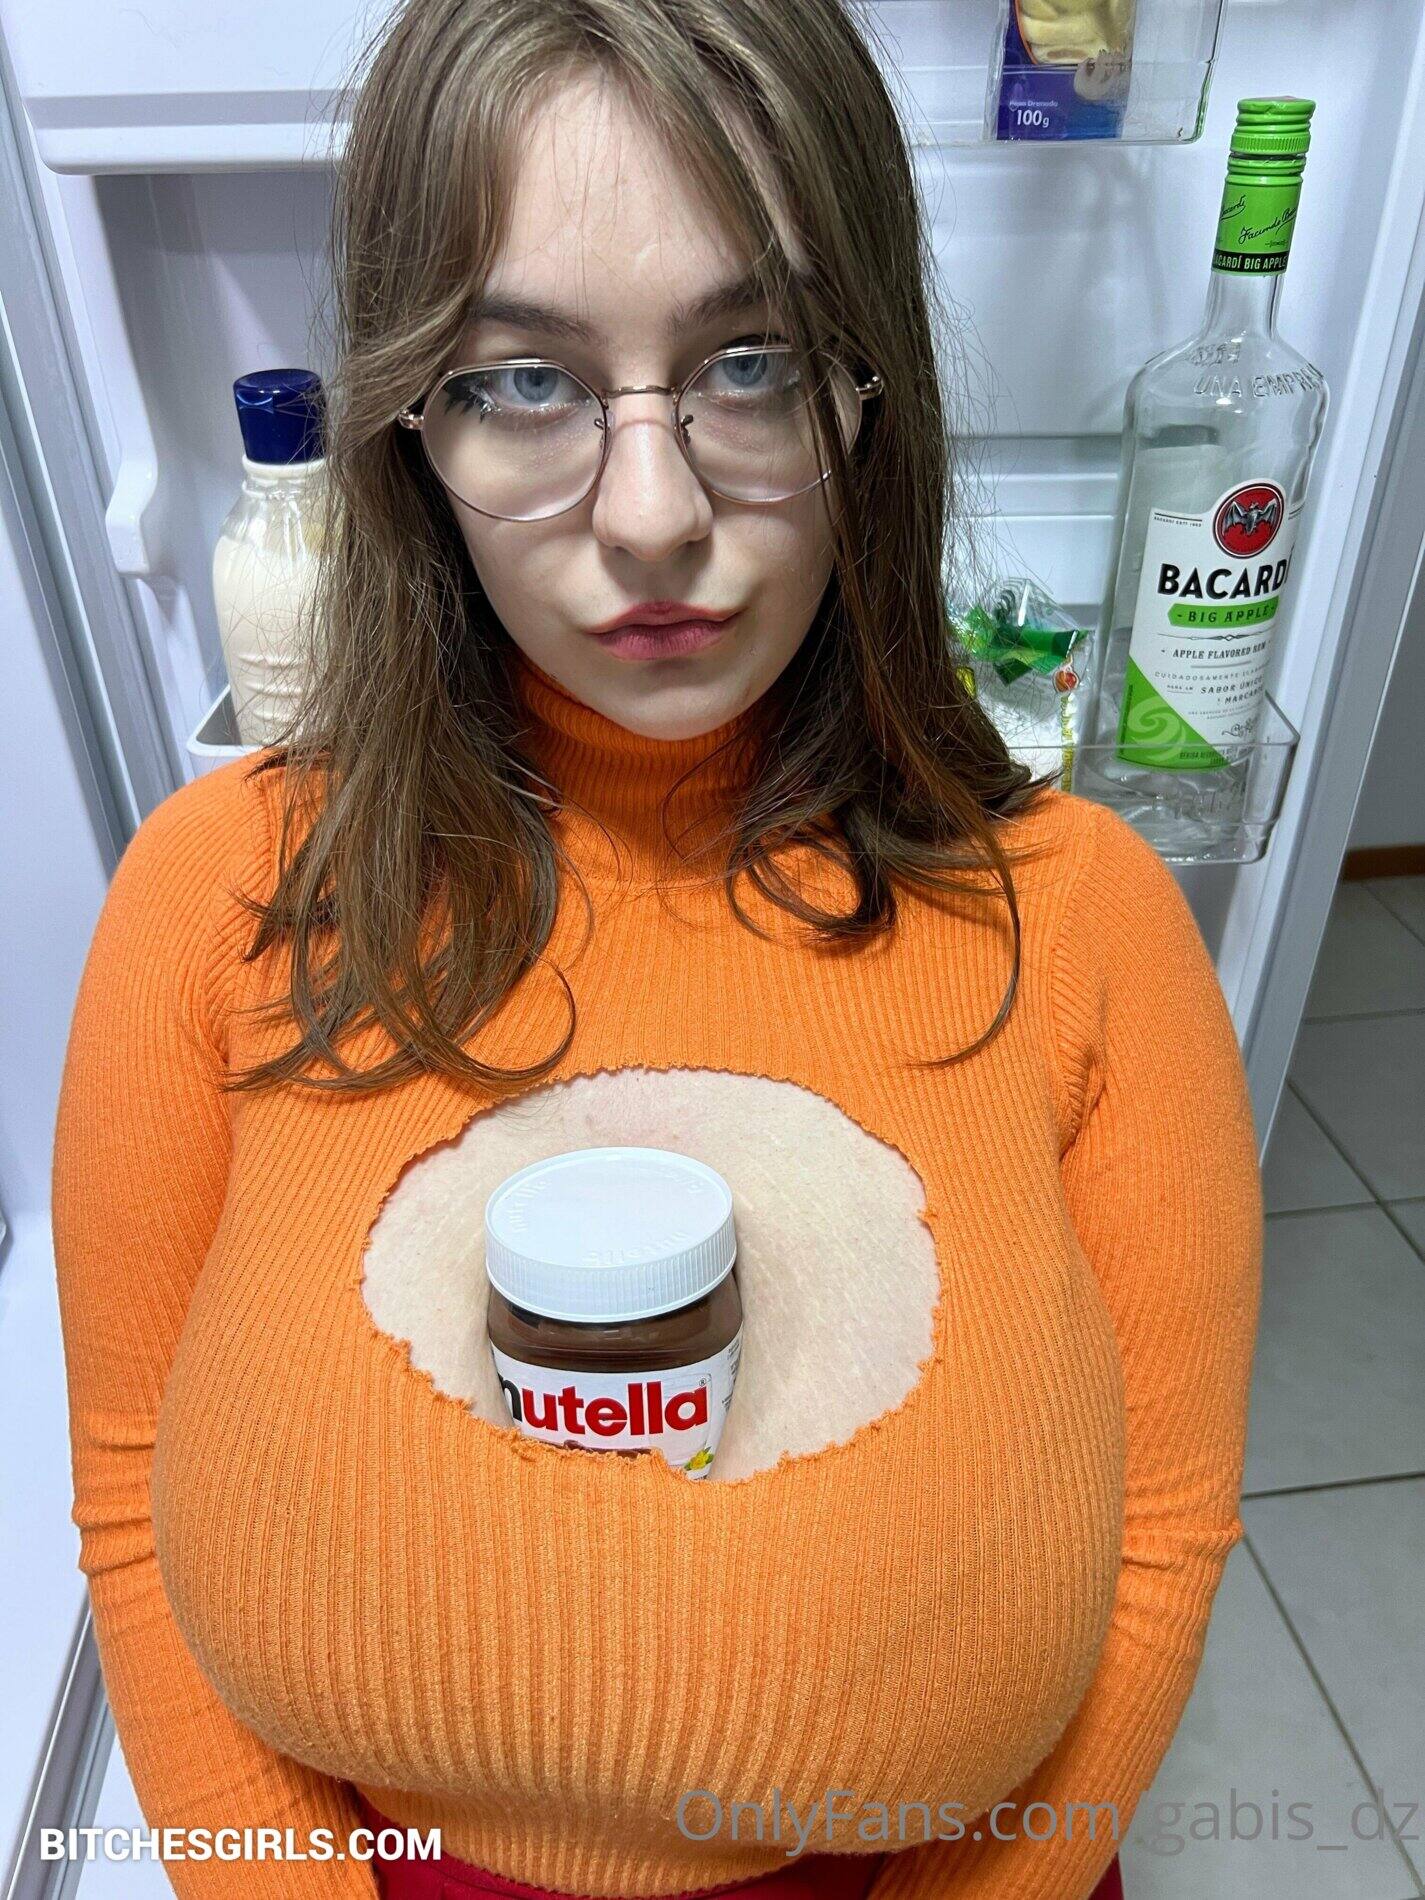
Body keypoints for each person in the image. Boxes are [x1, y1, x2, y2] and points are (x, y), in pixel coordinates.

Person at [49, 1, 1262, 1896]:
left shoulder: (1085, 918)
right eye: (522, 380)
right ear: (407, 426)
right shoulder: (221, 895)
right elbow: (131, 1502)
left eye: (749, 363)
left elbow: (1161, 1540)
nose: (650, 515)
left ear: (866, 396)